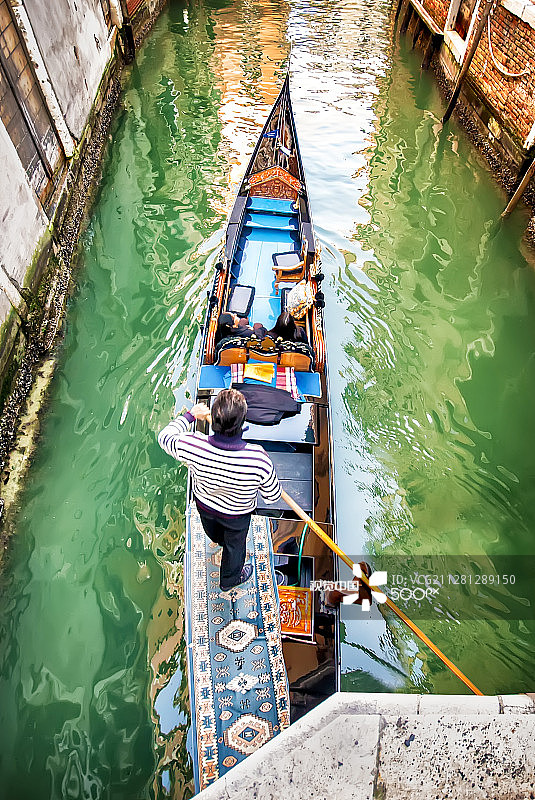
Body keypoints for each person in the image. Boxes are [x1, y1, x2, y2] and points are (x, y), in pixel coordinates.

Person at [158, 388, 282, 591]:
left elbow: (164, 437)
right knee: (235, 549)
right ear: (242, 423)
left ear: (212, 419)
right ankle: (229, 580)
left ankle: (218, 540)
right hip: (237, 515)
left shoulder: (193, 445)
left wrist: (190, 416)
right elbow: (272, 496)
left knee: (215, 534)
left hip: (205, 506)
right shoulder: (258, 459)